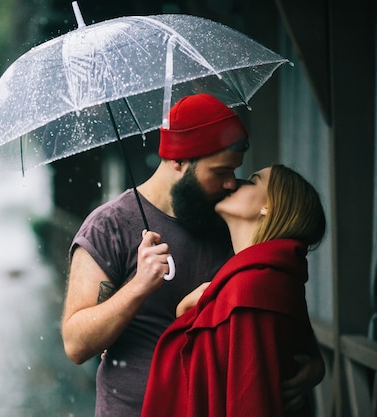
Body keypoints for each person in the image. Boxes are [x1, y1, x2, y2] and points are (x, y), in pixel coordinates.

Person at [60, 94, 324, 416]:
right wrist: (138, 286)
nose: (230, 183)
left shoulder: (230, 220)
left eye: (235, 171)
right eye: (219, 171)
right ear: (179, 160)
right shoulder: (109, 227)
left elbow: (288, 325)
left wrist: (313, 368)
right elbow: (76, 344)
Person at [141, 164, 326, 417]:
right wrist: (187, 310)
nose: (234, 183)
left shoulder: (253, 287)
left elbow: (248, 399)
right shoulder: (269, 276)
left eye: (252, 180)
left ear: (268, 206)